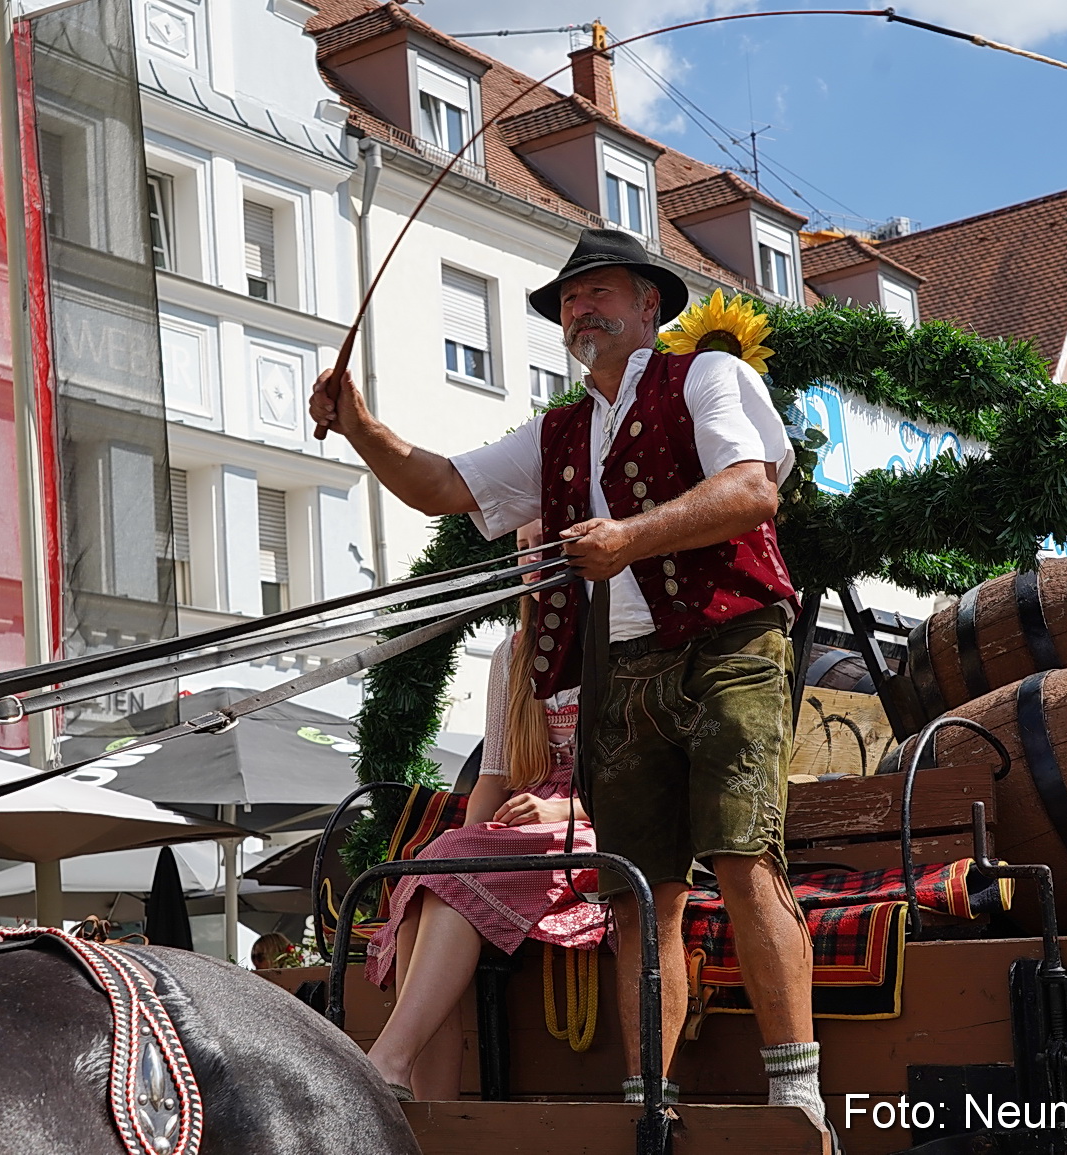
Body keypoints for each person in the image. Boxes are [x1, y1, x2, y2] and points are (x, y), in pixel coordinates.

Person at [310, 228, 820, 1123]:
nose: (580, 308)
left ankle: (795, 1092)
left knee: (742, 858)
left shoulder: (704, 375)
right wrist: (358, 424)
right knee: (637, 892)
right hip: (623, 669)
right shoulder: (557, 434)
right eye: (569, 301)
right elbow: (439, 485)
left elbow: (752, 491)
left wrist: (628, 536)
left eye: (600, 292)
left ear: (649, 305)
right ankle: (645, 1104)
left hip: (732, 642)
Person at [362, 520, 602, 1101]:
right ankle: (430, 1113)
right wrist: (456, 857)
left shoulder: (621, 640)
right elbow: (494, 774)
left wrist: (569, 811)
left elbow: (649, 782)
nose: (532, 559)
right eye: (521, 549)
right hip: (525, 834)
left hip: (604, 826)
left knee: (447, 873)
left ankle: (386, 1064)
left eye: (545, 544)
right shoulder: (514, 654)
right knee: (429, 882)